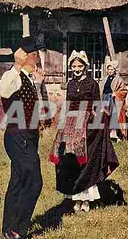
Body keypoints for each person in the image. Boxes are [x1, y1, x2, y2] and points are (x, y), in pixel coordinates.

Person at [49, 50, 119, 213]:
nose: (77, 69)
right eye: (74, 66)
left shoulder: (92, 84)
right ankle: (75, 197)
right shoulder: (71, 84)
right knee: (70, 161)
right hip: (71, 123)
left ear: (86, 67)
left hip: (87, 123)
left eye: (80, 66)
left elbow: (96, 105)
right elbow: (67, 104)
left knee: (85, 161)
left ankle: (86, 199)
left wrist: (98, 122)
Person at [0, 36, 46, 239]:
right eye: (35, 55)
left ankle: (8, 227)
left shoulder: (30, 79)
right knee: (35, 182)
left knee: (18, 181)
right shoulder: (14, 75)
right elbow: (2, 90)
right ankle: (18, 229)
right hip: (18, 136)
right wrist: (16, 65)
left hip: (28, 136)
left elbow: (36, 108)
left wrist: (39, 85)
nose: (38, 59)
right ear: (27, 57)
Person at [100, 60, 128, 142]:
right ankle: (105, 134)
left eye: (112, 69)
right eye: (109, 69)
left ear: (115, 70)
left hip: (113, 99)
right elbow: (100, 89)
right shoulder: (104, 79)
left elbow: (124, 90)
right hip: (104, 99)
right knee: (104, 117)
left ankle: (114, 134)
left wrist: (116, 94)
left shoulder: (118, 79)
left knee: (114, 117)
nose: (110, 71)